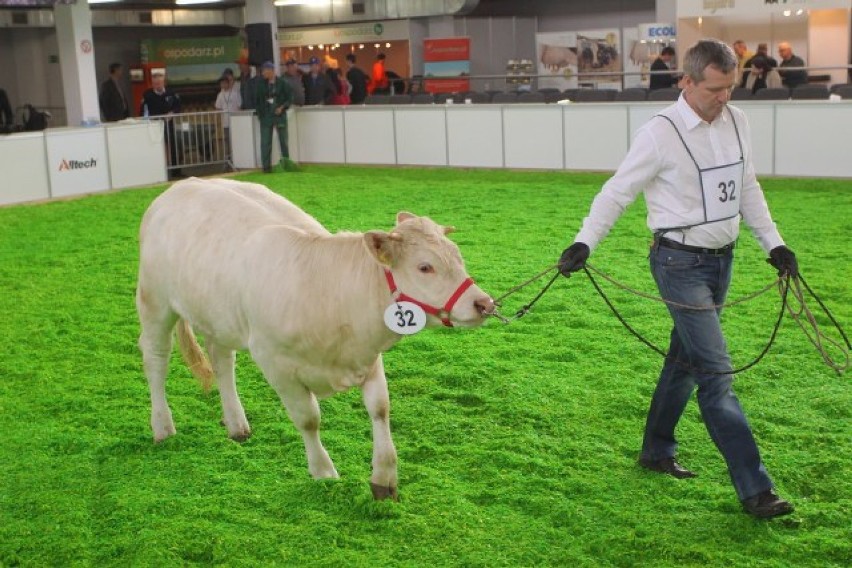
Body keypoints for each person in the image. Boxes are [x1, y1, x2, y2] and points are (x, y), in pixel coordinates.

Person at [558, 39, 798, 520]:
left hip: (722, 261)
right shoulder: (659, 132)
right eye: (714, 89)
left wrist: (774, 244)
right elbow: (617, 191)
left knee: (686, 360)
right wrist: (585, 242)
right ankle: (756, 489)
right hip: (677, 264)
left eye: (729, 88)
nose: (724, 98)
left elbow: (746, 184)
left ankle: (655, 451)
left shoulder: (737, 120)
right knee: (716, 373)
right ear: (686, 81)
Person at [254, 61, 297, 173]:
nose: (263, 73)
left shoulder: (283, 83)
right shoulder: (260, 84)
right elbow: (257, 101)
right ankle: (266, 168)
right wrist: (260, 114)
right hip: (266, 117)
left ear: (271, 71)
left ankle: (286, 166)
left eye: (265, 71)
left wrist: (282, 107)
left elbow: (290, 98)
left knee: (284, 142)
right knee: (265, 142)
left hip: (280, 116)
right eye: (262, 71)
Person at [140, 71, 182, 177]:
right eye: (156, 83)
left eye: (160, 82)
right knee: (155, 146)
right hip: (154, 126)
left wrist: (172, 113)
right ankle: (157, 171)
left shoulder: (171, 93)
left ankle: (176, 171)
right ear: (152, 84)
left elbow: (178, 106)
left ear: (164, 82)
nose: (158, 85)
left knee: (173, 146)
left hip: (169, 124)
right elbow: (143, 111)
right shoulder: (147, 95)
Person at [214, 71, 242, 161]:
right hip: (225, 123)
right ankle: (228, 160)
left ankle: (237, 159)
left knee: (236, 141)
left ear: (228, 83)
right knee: (227, 142)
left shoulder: (235, 93)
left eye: (224, 83)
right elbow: (218, 107)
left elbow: (239, 105)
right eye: (221, 83)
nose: (222, 85)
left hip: (235, 122)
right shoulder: (220, 95)